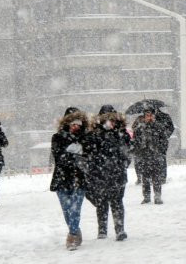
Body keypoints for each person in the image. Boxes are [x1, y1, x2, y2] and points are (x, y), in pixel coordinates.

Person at [85, 105, 131, 241]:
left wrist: (123, 163)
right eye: (107, 120)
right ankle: (102, 230)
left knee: (117, 201)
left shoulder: (121, 133)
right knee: (102, 202)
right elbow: (90, 154)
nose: (110, 123)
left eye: (112, 120)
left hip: (117, 174)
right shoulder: (94, 135)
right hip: (100, 175)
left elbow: (128, 151)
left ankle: (120, 229)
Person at [50, 108, 89, 250]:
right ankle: (75, 229)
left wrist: (72, 154)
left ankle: (72, 236)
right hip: (62, 179)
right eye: (73, 123)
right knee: (67, 211)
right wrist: (76, 153)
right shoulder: (57, 137)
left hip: (79, 179)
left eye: (79, 124)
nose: (76, 127)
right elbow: (59, 158)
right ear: (67, 123)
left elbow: (88, 158)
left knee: (75, 209)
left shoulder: (86, 138)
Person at [132, 107, 172, 204]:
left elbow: (164, 141)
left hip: (155, 155)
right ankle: (146, 197)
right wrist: (139, 151)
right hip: (144, 155)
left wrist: (161, 151)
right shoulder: (140, 128)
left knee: (156, 177)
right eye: (147, 115)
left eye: (150, 115)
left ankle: (157, 196)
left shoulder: (159, 127)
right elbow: (135, 141)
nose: (148, 117)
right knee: (145, 178)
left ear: (153, 116)